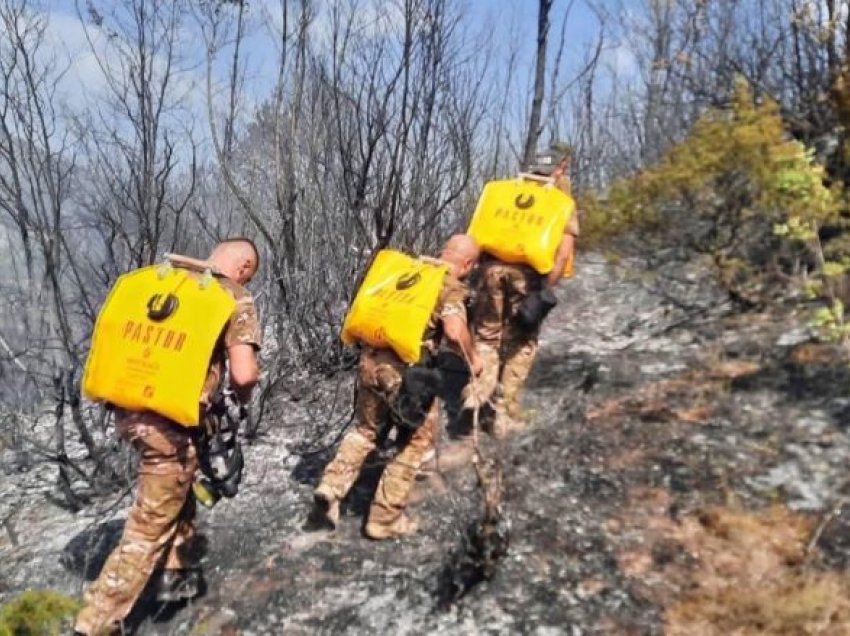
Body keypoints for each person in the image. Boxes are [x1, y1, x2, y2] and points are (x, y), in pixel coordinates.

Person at [74, 238, 262, 636]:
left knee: (181, 490)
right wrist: (239, 401)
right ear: (244, 267)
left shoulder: (162, 279)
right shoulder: (231, 294)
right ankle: (92, 624)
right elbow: (244, 373)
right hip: (170, 427)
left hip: (130, 411)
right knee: (147, 527)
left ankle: (176, 584)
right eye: (250, 272)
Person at [309, 234, 482, 540]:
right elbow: (454, 332)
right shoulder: (447, 284)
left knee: (365, 431)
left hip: (369, 362)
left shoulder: (409, 271)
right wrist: (474, 359)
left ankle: (332, 487)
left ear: (444, 251)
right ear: (468, 264)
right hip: (406, 373)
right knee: (415, 441)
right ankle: (384, 519)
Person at [468, 147, 579, 439]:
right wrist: (545, 289)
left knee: (487, 337)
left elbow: (476, 237)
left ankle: (476, 399)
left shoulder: (502, 192)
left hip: (489, 270)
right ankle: (503, 414)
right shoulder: (559, 202)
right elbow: (561, 254)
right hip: (527, 277)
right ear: (557, 171)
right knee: (523, 342)